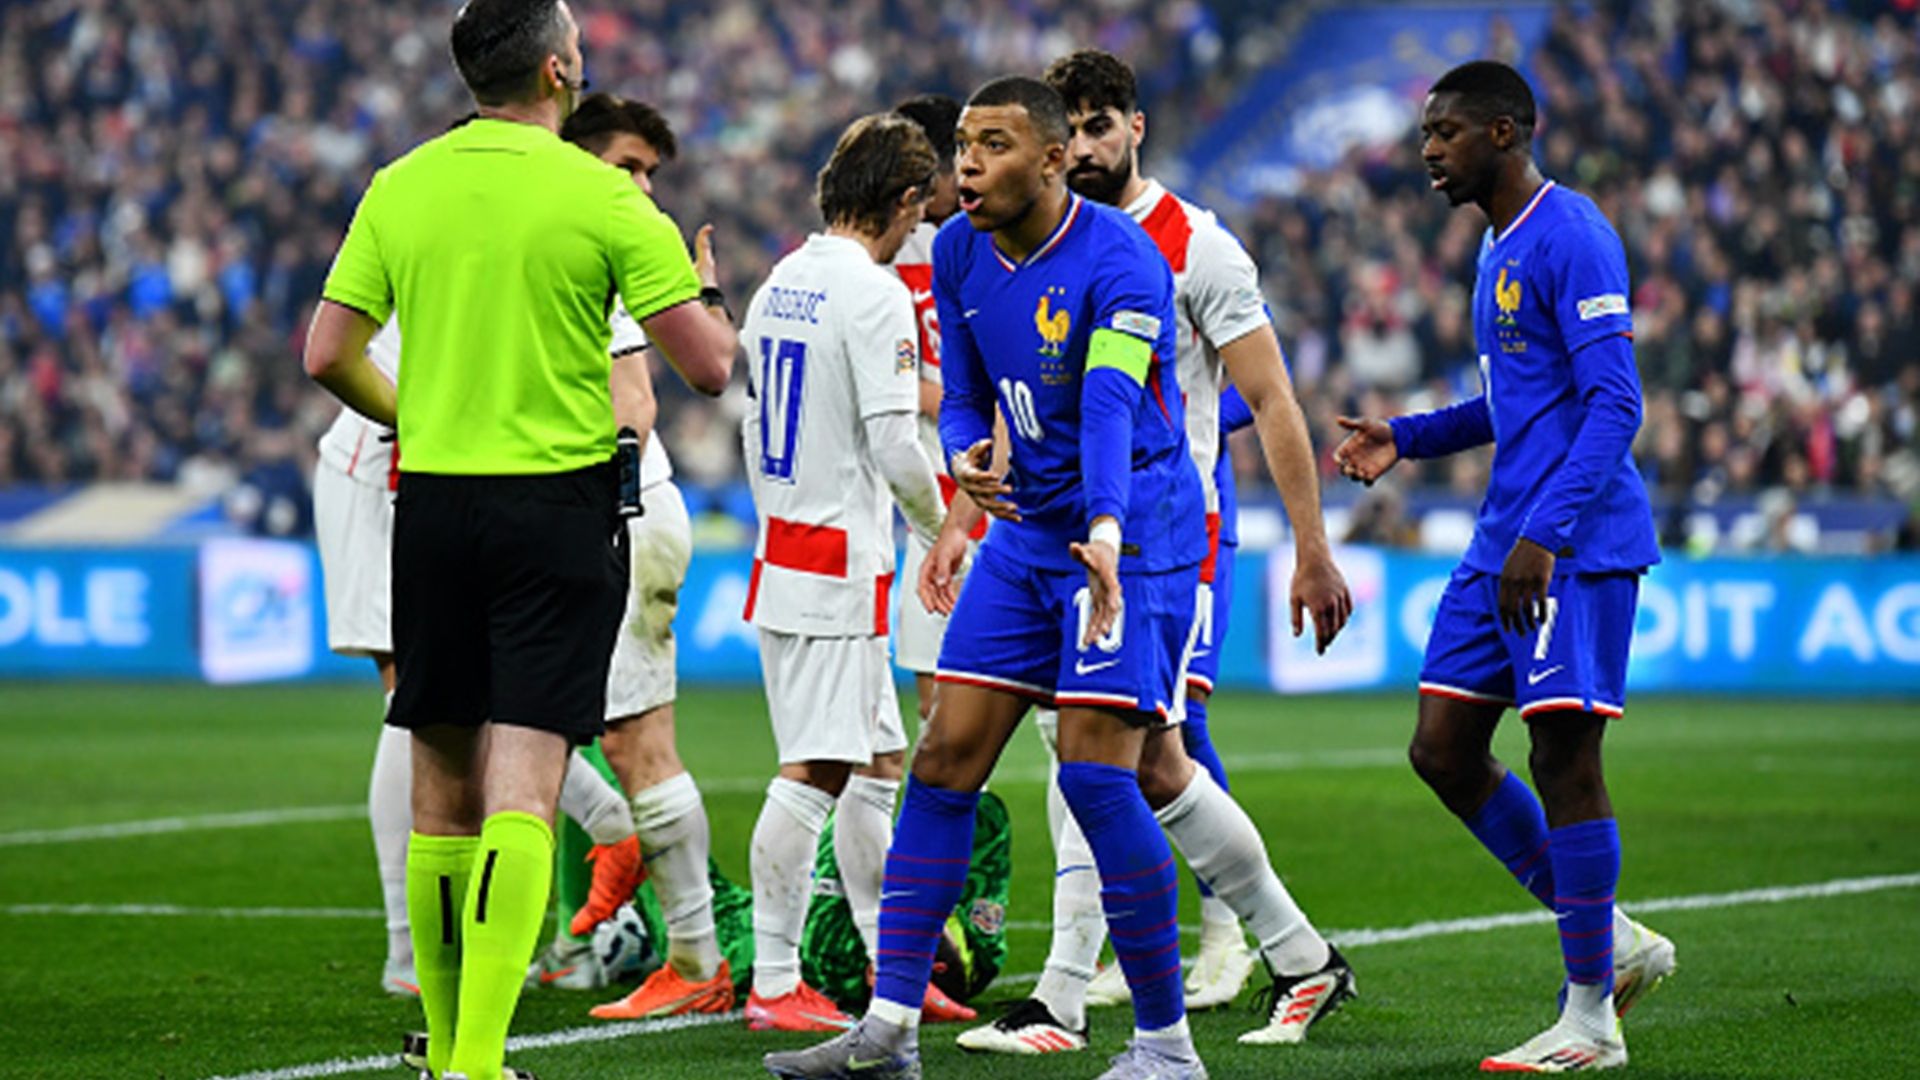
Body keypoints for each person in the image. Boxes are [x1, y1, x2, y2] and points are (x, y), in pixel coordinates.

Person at [301, 2, 733, 1078]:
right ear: (556, 70)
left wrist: (416, 414)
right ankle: (478, 1063)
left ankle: (449, 1046)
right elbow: (708, 368)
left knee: (440, 790)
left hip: (434, 505)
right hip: (554, 512)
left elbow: (325, 354)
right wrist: (705, 286)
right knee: (525, 789)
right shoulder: (601, 193)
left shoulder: (402, 185)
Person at [765, 75, 1206, 1080]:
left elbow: (1105, 402)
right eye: (963, 142)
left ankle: (1167, 1049)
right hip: (1025, 532)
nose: (966, 162)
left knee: (1099, 777)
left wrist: (1099, 522)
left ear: (1054, 160)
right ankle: (886, 1034)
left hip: (1128, 532)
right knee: (941, 760)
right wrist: (965, 464)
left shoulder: (1123, 262)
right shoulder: (958, 248)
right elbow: (963, 395)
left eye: (994, 144)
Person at [955, 49, 1357, 1056]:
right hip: (1064, 538)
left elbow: (1271, 400)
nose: (1085, 146)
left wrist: (1311, 549)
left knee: (1102, 757)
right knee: (1152, 764)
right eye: (1072, 127)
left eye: (1102, 126)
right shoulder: (1028, 244)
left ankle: (1062, 998)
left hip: (1164, 541)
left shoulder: (1196, 247)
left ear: (1135, 127)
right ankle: (1299, 956)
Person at [1333, 60, 1677, 1073]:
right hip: (1506, 541)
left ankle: (1590, 1018)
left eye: (1446, 132)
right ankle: (1611, 937)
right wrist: (1409, 433)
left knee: (1565, 760)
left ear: (1506, 131)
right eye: (1426, 133)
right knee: (1441, 749)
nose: (1428, 150)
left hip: (1568, 543)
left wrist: (1548, 534)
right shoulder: (1497, 247)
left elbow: (1617, 403)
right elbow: (1516, 403)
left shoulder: (1573, 234)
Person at [735, 113, 952, 1034]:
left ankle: (882, 960)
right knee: (815, 771)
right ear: (903, 201)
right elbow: (898, 443)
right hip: (835, 563)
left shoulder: (780, 281)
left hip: (788, 546)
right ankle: (775, 982)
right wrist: (943, 529)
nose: (918, 230)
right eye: (919, 209)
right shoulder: (872, 295)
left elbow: (756, 426)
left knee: (878, 762)